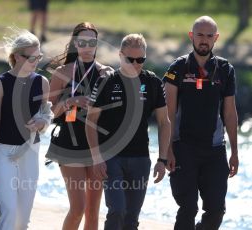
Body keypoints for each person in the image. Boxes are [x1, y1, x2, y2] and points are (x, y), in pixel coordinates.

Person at [86, 33, 170, 230]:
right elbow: (90, 122)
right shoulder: (106, 82)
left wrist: (162, 159)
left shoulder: (153, 83)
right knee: (117, 210)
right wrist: (96, 157)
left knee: (131, 218)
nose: (135, 63)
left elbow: (164, 122)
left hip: (140, 159)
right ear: (120, 55)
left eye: (140, 60)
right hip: (111, 157)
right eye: (130, 59)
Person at [163, 16, 239, 230]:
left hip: (215, 150)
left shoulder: (225, 69)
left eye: (209, 36)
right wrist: (167, 149)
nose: (204, 40)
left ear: (216, 38)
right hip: (183, 148)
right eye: (199, 35)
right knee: (187, 208)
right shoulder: (177, 68)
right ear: (191, 36)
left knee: (216, 210)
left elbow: (230, 113)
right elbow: (166, 113)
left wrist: (234, 151)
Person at [0, 29, 53, 230]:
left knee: (22, 220)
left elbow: (46, 116)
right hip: (3, 153)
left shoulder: (42, 83)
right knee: (10, 214)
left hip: (30, 152)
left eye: (38, 57)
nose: (35, 61)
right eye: (30, 57)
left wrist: (41, 123)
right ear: (15, 56)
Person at [45, 22, 112, 230]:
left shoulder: (106, 73)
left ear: (96, 43)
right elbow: (47, 114)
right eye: (82, 41)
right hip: (68, 143)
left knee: (93, 212)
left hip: (96, 146)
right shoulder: (61, 72)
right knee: (78, 208)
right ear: (75, 43)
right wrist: (69, 103)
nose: (87, 46)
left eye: (91, 41)